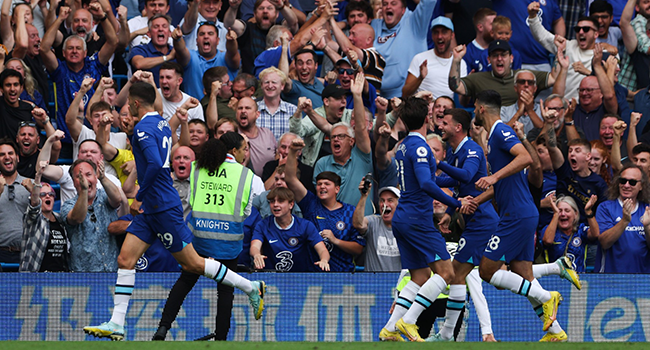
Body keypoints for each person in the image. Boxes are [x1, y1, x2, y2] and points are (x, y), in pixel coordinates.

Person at [82, 81, 265, 341]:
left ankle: (251, 287)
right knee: (125, 260)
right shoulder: (160, 122)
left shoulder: (143, 129)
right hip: (154, 209)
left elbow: (156, 164)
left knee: (193, 264)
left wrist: (139, 197)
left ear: (134, 103)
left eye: (127, 105)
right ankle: (117, 322)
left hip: (162, 206)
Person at [378, 96, 474, 343]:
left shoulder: (403, 146)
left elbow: (429, 179)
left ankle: (390, 328)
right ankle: (408, 322)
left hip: (404, 218)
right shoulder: (421, 148)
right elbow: (426, 183)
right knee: (447, 273)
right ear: (427, 119)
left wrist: (461, 179)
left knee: (420, 276)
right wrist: (456, 202)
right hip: (417, 219)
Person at [469, 90, 563, 339]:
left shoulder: (501, 131)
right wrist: (476, 200)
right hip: (520, 213)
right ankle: (555, 331)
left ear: (481, 109)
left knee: (486, 271)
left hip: (517, 215)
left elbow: (525, 159)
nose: (473, 112)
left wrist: (493, 176)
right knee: (524, 275)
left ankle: (547, 297)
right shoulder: (492, 137)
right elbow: (502, 183)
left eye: (474, 107)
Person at [153, 132, 258, 341]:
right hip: (229, 244)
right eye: (244, 149)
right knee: (226, 291)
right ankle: (220, 339)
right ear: (234, 151)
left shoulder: (197, 168)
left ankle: (163, 328)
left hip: (199, 240)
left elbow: (191, 201)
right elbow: (246, 212)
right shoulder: (246, 174)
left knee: (184, 283)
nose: (246, 153)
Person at [427, 108, 500, 342]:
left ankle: (446, 335)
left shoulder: (471, 150)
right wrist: (447, 208)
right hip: (475, 222)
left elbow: (467, 176)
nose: (440, 126)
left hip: (482, 222)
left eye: (445, 123)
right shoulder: (456, 151)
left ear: (458, 127)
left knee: (456, 273)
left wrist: (438, 163)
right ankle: (554, 271)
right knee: (475, 275)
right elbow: (453, 182)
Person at [286, 139, 365, 272]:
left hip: (342, 275)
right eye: (319, 184)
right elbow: (290, 179)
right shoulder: (310, 203)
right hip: (312, 275)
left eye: (327, 184)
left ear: (337, 189)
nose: (322, 186)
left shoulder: (350, 212)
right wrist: (293, 151)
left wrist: (335, 240)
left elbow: (358, 248)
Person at [60, 159, 123, 272]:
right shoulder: (68, 205)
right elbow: (77, 218)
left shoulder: (104, 195)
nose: (84, 179)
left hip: (112, 271)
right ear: (74, 182)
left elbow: (117, 199)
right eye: (79, 176)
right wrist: (84, 191)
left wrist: (103, 177)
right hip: (83, 275)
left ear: (95, 177)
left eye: (88, 174)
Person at [250, 187, 330, 272]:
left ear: (291, 205)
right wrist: (257, 255)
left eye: (280, 201)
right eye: (272, 201)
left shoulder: (305, 225)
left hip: (299, 277)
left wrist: (324, 260)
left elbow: (322, 249)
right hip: (271, 277)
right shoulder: (263, 225)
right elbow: (255, 246)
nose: (275, 204)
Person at [595, 163, 650, 273]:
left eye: (632, 182)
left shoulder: (647, 209)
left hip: (643, 280)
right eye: (623, 181)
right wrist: (624, 221)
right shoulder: (605, 208)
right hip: (611, 278)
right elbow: (604, 242)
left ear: (641, 186)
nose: (626, 185)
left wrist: (647, 227)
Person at [20, 161, 69, 272]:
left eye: (50, 194)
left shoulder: (60, 219)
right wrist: (37, 178)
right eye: (43, 194)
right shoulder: (33, 218)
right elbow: (34, 206)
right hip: (37, 277)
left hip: (59, 278)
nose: (48, 196)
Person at [402, 16, 467, 99]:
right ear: (432, 36)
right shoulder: (420, 58)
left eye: (444, 32)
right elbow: (405, 93)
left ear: (452, 35)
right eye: (436, 32)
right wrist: (420, 78)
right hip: (423, 109)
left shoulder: (459, 62)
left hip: (447, 109)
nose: (439, 36)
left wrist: (469, 85)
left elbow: (463, 102)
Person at [542, 195, 599, 272]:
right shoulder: (549, 229)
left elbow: (595, 234)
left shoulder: (581, 230)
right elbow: (548, 241)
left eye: (567, 211)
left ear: (575, 214)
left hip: (578, 280)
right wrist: (555, 214)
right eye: (559, 211)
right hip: (555, 280)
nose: (562, 214)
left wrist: (588, 211)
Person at [353, 183, 401, 272]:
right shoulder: (374, 221)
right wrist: (364, 196)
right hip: (374, 282)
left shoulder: (406, 226)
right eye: (382, 200)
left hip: (398, 282)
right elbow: (358, 224)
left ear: (399, 204)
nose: (385, 204)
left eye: (390, 200)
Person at [0, 138, 31, 264]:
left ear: (17, 158)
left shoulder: (31, 184)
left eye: (10, 153)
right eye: (2, 154)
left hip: (28, 254)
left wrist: (34, 193)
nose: (7, 157)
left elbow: (43, 216)